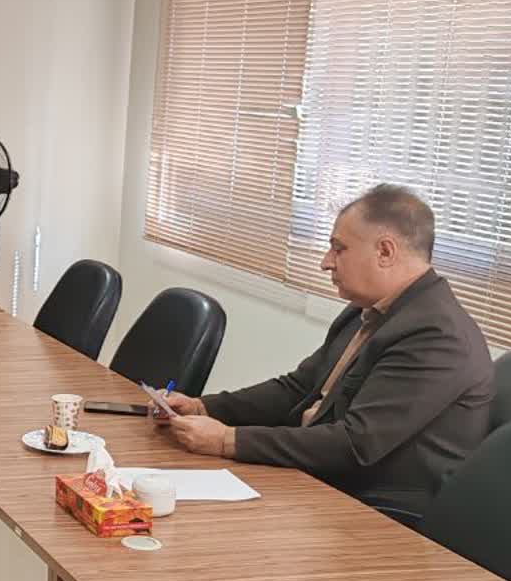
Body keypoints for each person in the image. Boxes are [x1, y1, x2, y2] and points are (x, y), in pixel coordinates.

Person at [162, 185, 493, 517]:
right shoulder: (367, 310)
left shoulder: (437, 336)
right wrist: (204, 407)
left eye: (339, 248)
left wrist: (228, 440)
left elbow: (356, 443)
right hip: (321, 480)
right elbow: (297, 388)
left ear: (385, 252)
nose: (325, 262)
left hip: (375, 511)